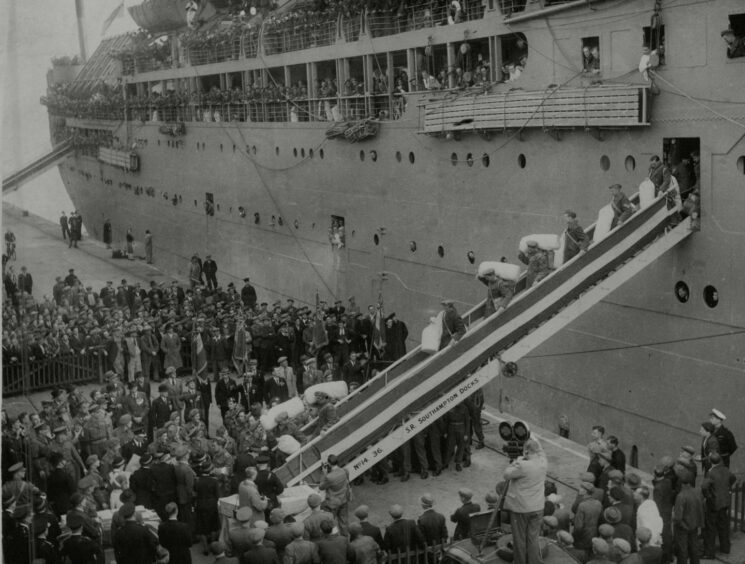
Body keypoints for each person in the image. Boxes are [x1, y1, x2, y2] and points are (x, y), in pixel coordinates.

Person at [503, 438, 547, 564]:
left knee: (519, 538)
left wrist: (517, 460)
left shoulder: (522, 465)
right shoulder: (543, 461)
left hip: (521, 508)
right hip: (538, 507)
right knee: (533, 538)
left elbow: (506, 474)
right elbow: (540, 450)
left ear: (527, 451)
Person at [701, 452, 735, 559]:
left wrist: (708, 496)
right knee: (723, 526)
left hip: (714, 503)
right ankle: (725, 548)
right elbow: (733, 478)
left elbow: (704, 487)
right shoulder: (725, 469)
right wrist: (727, 488)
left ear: (711, 461)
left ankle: (709, 553)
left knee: (710, 528)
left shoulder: (710, 473)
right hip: (724, 502)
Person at [672, 472, 704, 564]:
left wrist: (679, 524)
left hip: (683, 528)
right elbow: (700, 509)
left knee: (682, 550)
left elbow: (678, 517)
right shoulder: (697, 492)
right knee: (694, 549)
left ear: (681, 483)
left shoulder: (681, 496)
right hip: (694, 525)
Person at [319, 454, 352, 535]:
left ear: (329, 463)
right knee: (344, 522)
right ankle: (345, 539)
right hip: (344, 500)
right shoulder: (345, 471)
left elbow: (321, 487)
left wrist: (324, 473)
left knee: (331, 523)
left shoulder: (329, 477)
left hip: (332, 503)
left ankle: (334, 538)